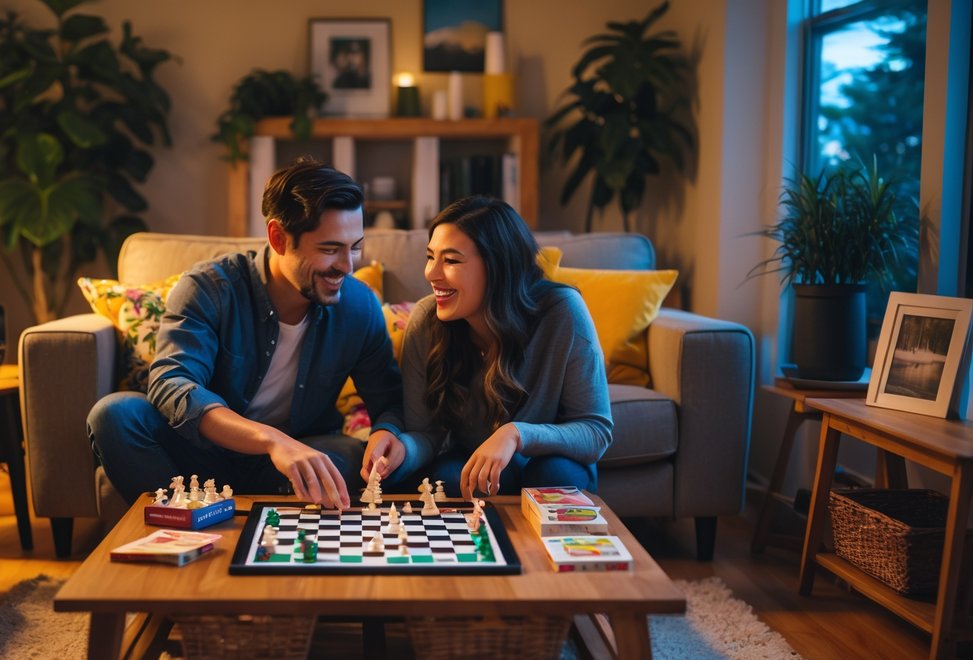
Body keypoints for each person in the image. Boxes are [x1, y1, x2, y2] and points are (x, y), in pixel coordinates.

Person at [87, 157, 407, 509]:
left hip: (293, 461)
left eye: (355, 247)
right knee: (115, 416)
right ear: (278, 237)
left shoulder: (359, 306)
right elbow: (172, 384)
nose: (347, 267)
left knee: (344, 457)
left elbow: (390, 401)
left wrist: (386, 432)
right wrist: (271, 440)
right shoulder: (209, 288)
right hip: (201, 455)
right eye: (330, 249)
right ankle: (187, 523)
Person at [394, 195, 613, 498]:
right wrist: (399, 449)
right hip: (471, 457)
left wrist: (516, 434)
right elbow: (426, 434)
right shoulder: (426, 320)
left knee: (553, 476)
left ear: (498, 267)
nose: (431, 273)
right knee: (455, 480)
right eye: (431, 257)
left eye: (451, 260)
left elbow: (596, 431)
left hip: (550, 458)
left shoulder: (563, 311)